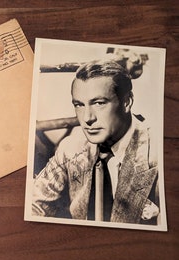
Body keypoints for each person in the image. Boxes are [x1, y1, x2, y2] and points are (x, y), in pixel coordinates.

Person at [32, 60, 159, 225]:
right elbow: (35, 204)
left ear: (127, 102)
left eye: (99, 103)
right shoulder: (70, 148)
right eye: (79, 105)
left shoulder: (158, 154)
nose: (87, 118)